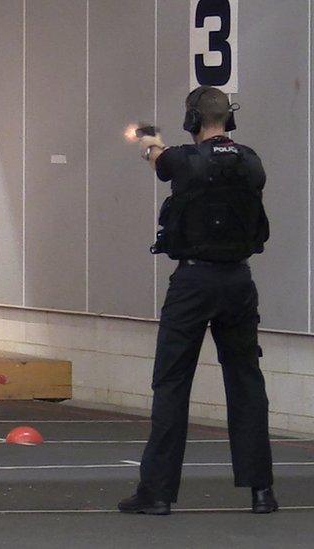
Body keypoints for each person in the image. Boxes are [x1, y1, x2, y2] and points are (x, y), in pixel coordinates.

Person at [119, 86, 276, 515]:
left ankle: (157, 493)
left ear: (191, 120)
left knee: (171, 383)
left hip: (193, 282)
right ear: (230, 118)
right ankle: (262, 490)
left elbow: (162, 161)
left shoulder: (184, 161)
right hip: (238, 282)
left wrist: (150, 142)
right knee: (246, 383)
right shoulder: (251, 160)